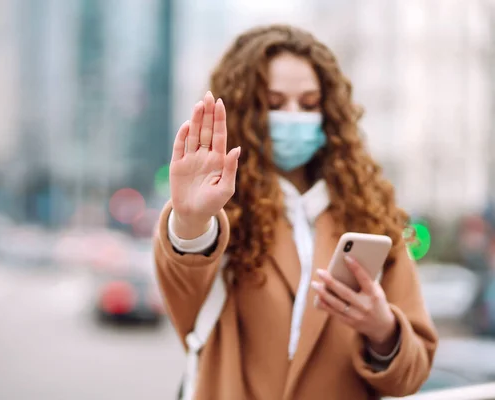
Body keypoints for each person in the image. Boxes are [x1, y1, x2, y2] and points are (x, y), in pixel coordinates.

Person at [154, 24, 438, 400]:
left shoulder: (371, 214)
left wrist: (383, 329)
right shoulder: (221, 208)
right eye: (273, 103)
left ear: (329, 111)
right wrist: (190, 220)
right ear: (245, 110)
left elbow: (412, 374)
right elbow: (184, 279)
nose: (292, 115)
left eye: (308, 104)